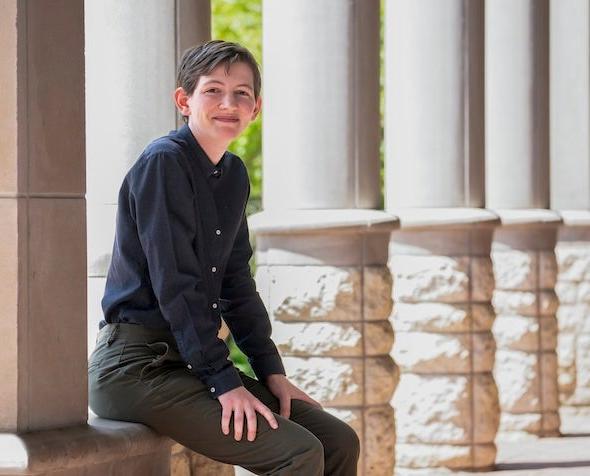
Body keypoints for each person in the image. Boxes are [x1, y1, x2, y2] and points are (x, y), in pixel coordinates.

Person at [88, 40, 360, 475]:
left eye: (242, 93)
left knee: (338, 440)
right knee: (298, 452)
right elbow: (175, 285)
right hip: (137, 369)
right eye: (213, 90)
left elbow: (236, 284)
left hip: (187, 365)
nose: (228, 103)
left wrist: (270, 370)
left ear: (256, 108)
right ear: (184, 100)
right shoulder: (164, 164)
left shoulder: (232, 175)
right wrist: (223, 381)